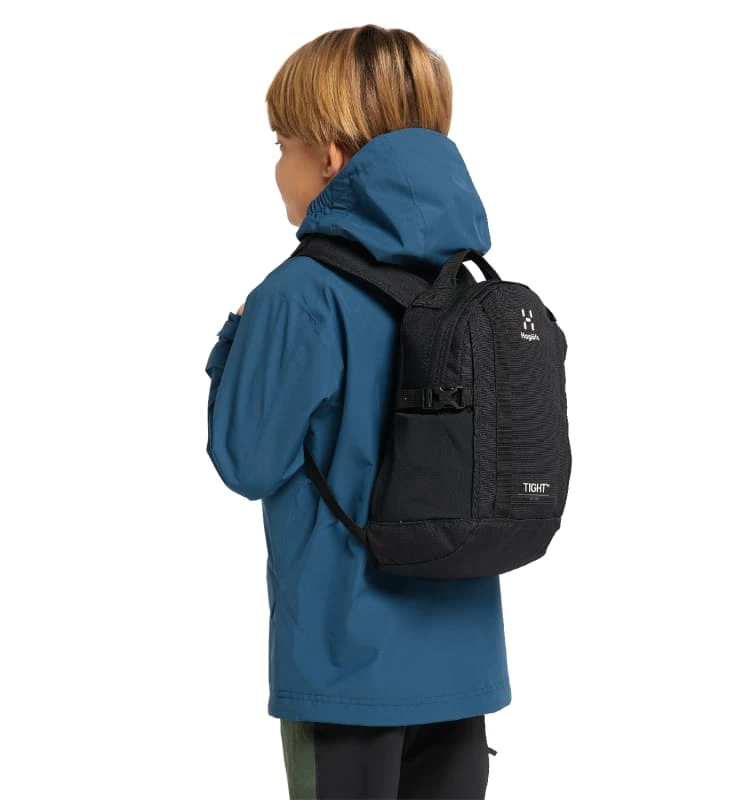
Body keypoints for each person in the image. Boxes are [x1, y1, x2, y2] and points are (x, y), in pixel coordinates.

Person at [205, 24, 506, 799]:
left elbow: (246, 460)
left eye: (282, 144)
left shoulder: (298, 294)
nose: (277, 167)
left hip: (346, 673)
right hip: (463, 665)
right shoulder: (463, 284)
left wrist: (235, 338)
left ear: (330, 158)